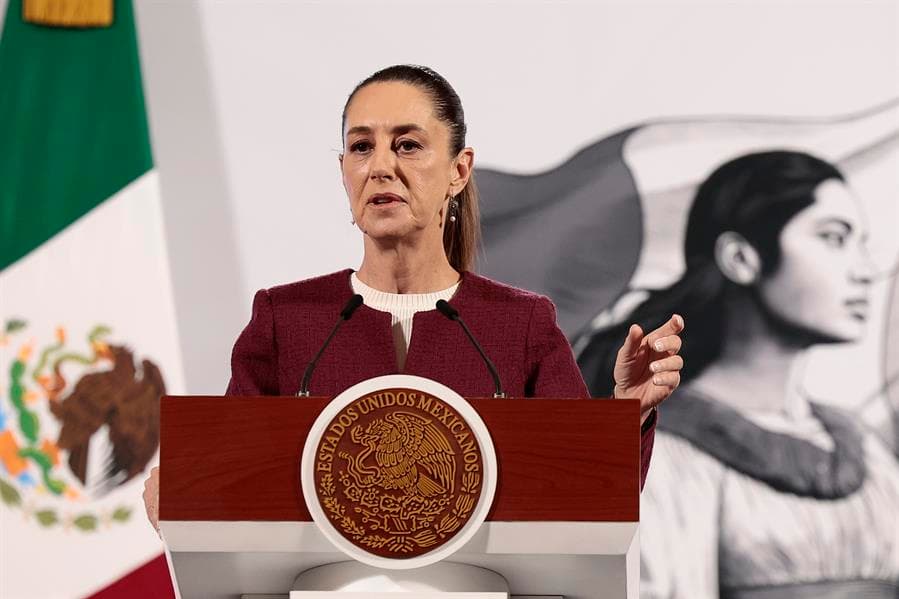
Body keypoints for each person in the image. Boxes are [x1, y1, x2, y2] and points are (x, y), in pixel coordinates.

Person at [143, 64, 684, 531]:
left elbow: (583, 498)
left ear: (459, 171)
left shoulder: (520, 325)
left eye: (407, 145)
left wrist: (624, 415)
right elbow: (233, 480)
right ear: (344, 172)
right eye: (361, 147)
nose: (380, 166)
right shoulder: (286, 320)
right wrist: (185, 492)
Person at [577, 150, 899, 597]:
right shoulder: (665, 450)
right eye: (833, 237)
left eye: (862, 243)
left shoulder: (868, 450)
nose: (865, 271)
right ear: (741, 257)